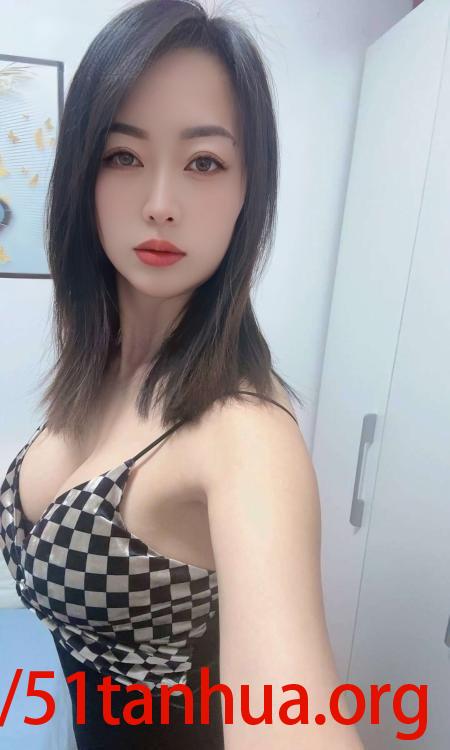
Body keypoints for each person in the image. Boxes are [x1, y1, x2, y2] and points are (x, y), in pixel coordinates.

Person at [0, 1, 364, 748]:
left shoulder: (245, 435)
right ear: (82, 177)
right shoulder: (98, 369)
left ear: (247, 190)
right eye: (122, 156)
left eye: (204, 163)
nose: (161, 205)